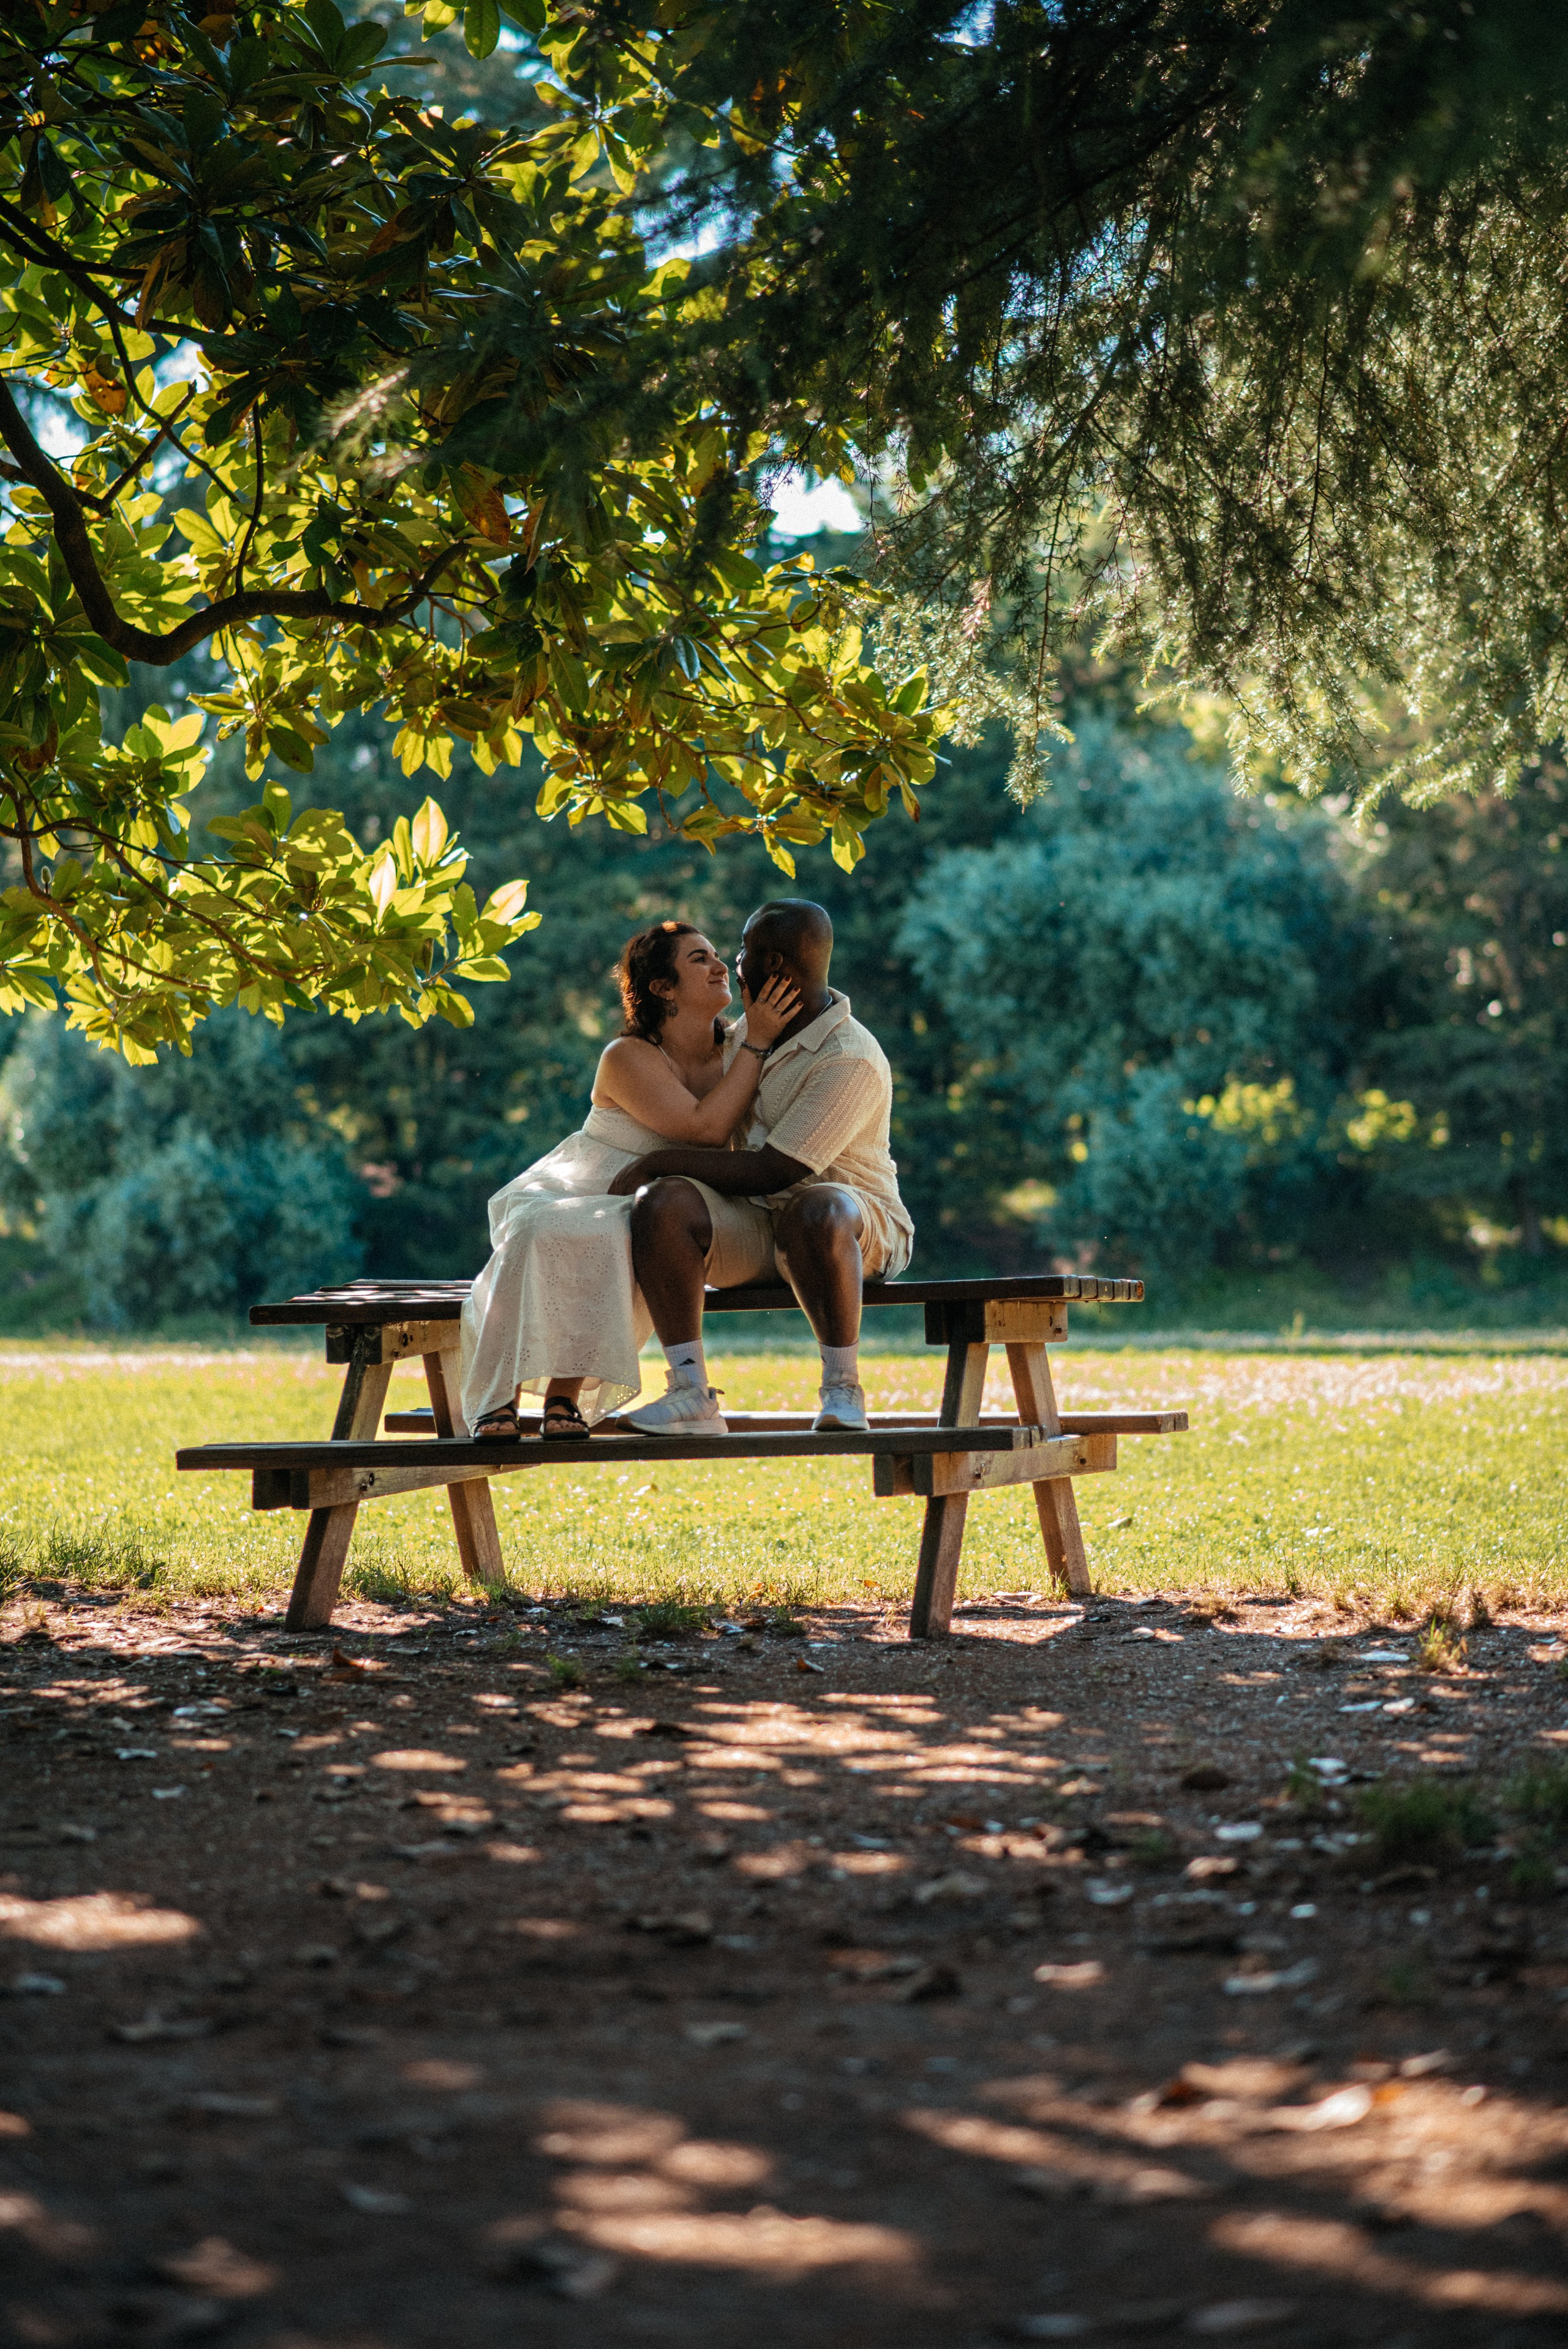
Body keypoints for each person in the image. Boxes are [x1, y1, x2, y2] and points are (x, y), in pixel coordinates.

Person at [459, 922, 799, 1441]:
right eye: (698, 959)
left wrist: (756, 1041)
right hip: (583, 1183)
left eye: (715, 955)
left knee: (621, 1231)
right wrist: (759, 1041)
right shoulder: (628, 1055)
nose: (719, 966)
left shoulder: (737, 1050)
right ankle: (496, 1399)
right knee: (539, 1227)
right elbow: (704, 1131)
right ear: (662, 988)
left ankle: (562, 1398)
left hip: (657, 1197)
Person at [608, 899, 914, 1436]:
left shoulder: (849, 1055)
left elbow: (777, 1171)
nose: (735, 960)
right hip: (760, 1225)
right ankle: (690, 1396)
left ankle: (843, 1390)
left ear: (772, 965)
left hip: (852, 1228)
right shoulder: (755, 1032)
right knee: (663, 1202)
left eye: (745, 949)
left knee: (815, 1207)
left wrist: (658, 1160)